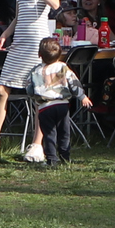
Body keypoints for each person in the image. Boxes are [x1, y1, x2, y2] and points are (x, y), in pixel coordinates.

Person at [0, 0, 60, 158]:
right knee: (2, 88)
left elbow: (55, 4)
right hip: (20, 42)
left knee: (40, 93)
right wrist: (5, 34)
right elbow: (20, 16)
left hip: (38, 43)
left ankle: (37, 145)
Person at [30, 37, 89, 166]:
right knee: (64, 132)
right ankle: (65, 157)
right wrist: (82, 96)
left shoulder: (36, 71)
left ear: (39, 55)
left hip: (45, 107)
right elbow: (74, 83)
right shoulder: (63, 67)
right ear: (60, 54)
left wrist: (34, 97)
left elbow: (29, 88)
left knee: (49, 134)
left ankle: (52, 159)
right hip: (62, 105)